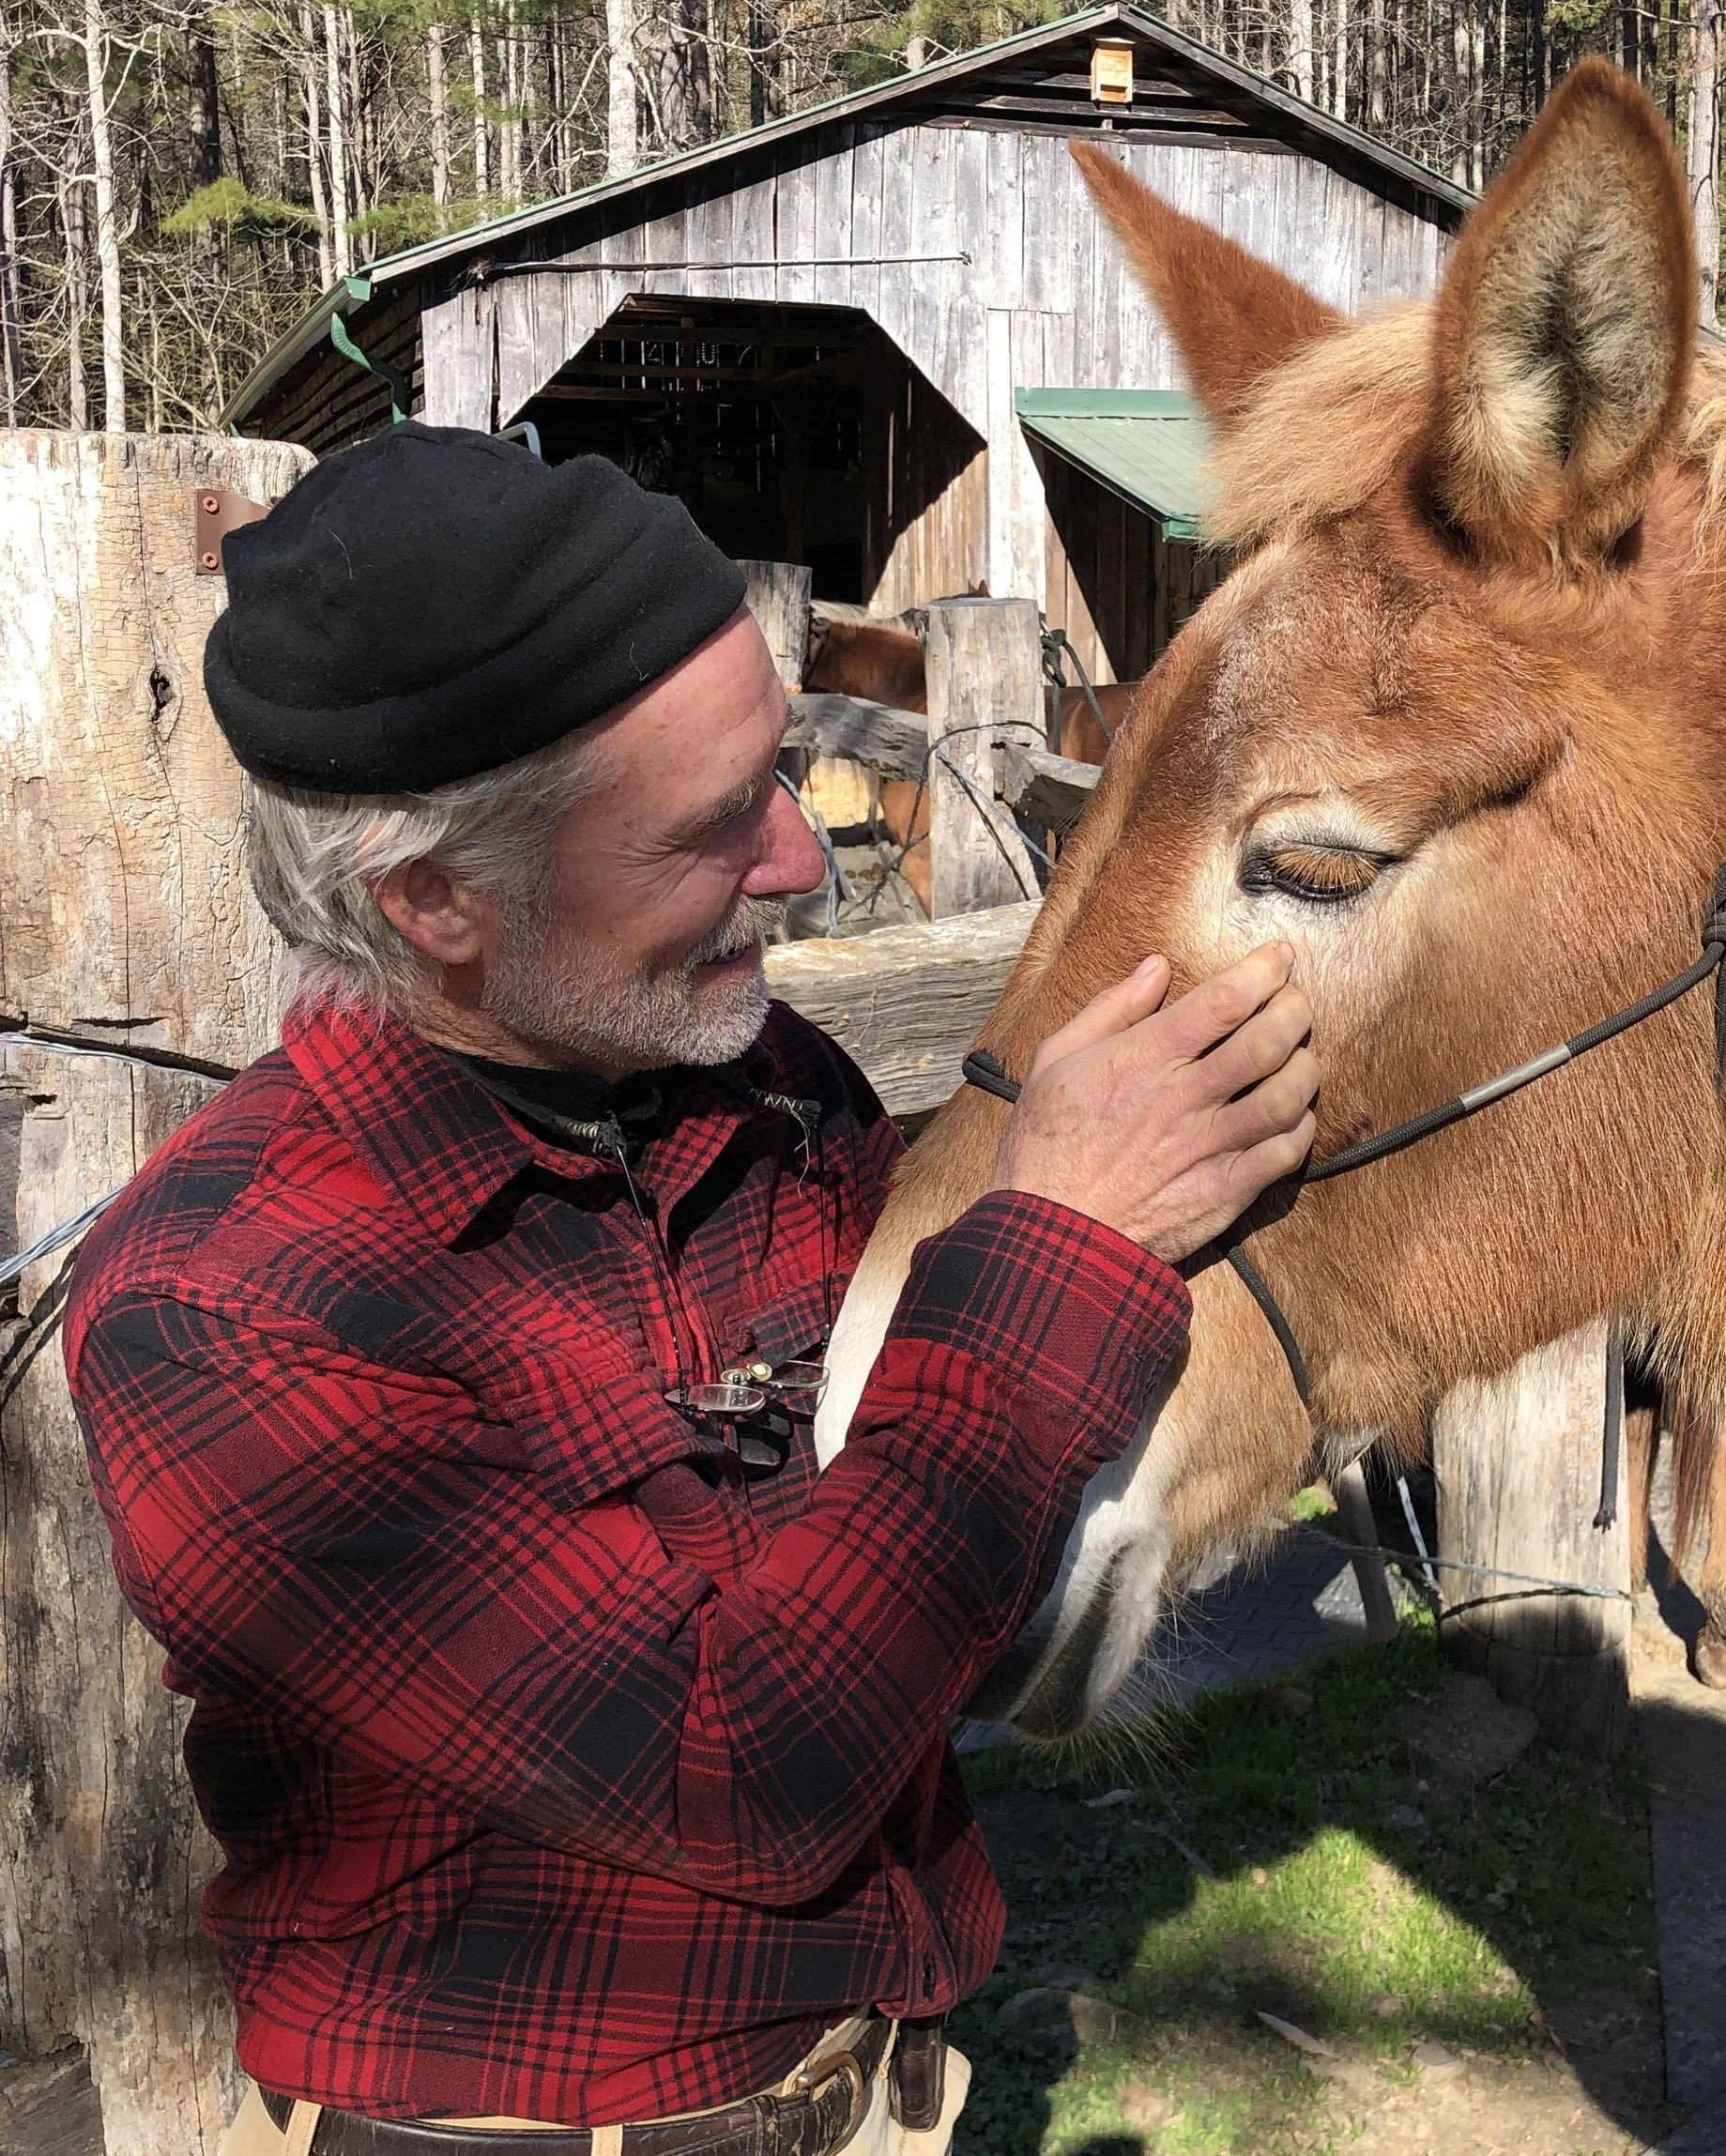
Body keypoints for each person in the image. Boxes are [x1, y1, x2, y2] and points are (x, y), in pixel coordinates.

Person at [63, 424, 1320, 2156]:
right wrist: (1067, 1235)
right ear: (435, 899)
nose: (803, 858)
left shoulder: (775, 1090)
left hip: (887, 2100)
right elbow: (750, 1767)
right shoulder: (229, 1307)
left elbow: (930, 1504)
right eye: (711, 827)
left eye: (781, 768)